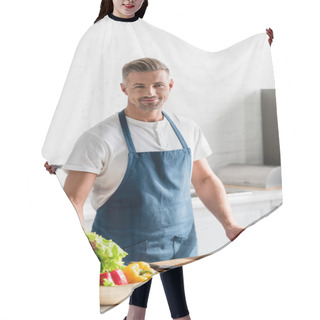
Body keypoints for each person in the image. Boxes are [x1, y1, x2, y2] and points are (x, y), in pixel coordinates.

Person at [62, 57, 244, 320]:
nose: (150, 93)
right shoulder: (99, 138)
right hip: (122, 243)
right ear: (124, 89)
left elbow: (204, 180)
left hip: (177, 239)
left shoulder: (186, 128)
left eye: (158, 85)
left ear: (170, 85)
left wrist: (229, 225)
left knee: (163, 303)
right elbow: (72, 200)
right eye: (139, 87)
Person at [43, 0, 274, 174]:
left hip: (147, 137)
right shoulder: (96, 35)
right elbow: (80, 94)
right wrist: (61, 152)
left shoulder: (151, 34)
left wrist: (255, 48)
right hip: (109, 138)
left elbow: (198, 67)